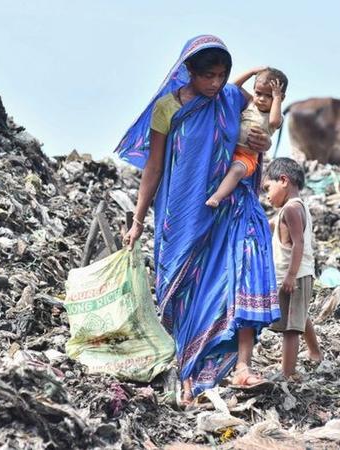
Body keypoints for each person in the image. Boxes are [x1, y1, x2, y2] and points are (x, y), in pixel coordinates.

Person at [116, 35, 280, 404]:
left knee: (224, 288)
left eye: (222, 75)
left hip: (224, 212)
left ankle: (232, 370)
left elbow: (257, 136)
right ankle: (187, 375)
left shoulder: (233, 100)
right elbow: (154, 167)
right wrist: (139, 220)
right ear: (187, 70)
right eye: (208, 75)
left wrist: (262, 143)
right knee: (183, 294)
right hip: (180, 215)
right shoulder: (167, 109)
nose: (216, 83)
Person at [262, 158, 323, 379]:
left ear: (284, 180)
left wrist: (290, 276)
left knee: (290, 328)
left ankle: (288, 373)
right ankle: (315, 352)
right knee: (298, 317)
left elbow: (298, 243)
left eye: (268, 189)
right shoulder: (294, 208)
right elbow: (273, 224)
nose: (267, 196)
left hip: (294, 276)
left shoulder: (290, 210)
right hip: (298, 275)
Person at [205, 67, 287, 207]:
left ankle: (217, 197)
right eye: (258, 93)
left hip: (246, 157)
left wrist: (277, 97)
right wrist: (251, 72)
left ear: (280, 98)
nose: (261, 99)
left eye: (269, 96)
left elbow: (273, 122)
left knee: (236, 171)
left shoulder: (277, 116)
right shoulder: (250, 102)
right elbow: (233, 87)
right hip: (228, 151)